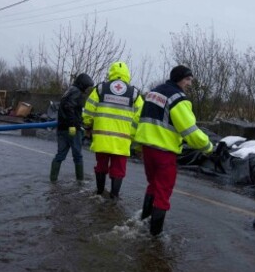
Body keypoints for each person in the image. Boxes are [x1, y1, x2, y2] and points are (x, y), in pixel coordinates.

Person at [134, 65, 213, 236]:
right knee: (163, 192)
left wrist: (136, 145)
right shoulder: (179, 99)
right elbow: (190, 131)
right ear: (179, 79)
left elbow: (138, 119)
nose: (190, 83)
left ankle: (144, 222)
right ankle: (154, 237)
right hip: (165, 151)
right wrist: (208, 147)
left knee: (153, 185)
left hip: (147, 148)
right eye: (187, 79)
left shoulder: (153, 93)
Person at [83, 61, 144, 199]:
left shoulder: (100, 89)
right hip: (122, 141)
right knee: (118, 170)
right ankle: (114, 197)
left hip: (101, 139)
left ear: (111, 73)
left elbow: (88, 111)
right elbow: (139, 118)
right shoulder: (134, 94)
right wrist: (132, 137)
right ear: (127, 74)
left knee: (101, 166)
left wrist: (88, 126)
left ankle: (99, 193)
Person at [50, 73, 94, 182]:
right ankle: (80, 182)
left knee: (60, 155)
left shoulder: (69, 90)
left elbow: (65, 107)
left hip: (61, 128)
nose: (87, 89)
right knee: (78, 156)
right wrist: (73, 125)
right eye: (87, 86)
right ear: (83, 84)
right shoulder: (77, 92)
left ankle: (53, 180)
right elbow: (69, 107)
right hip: (72, 129)